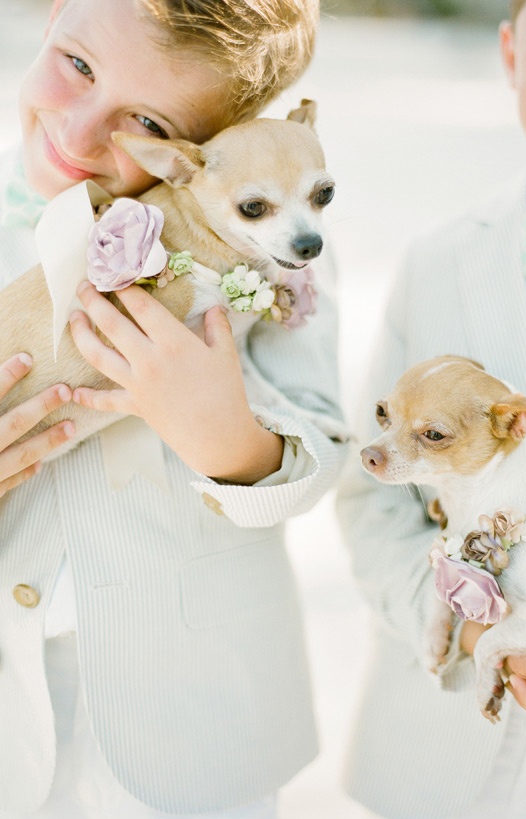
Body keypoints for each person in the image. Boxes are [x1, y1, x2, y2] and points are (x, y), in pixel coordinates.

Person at [0, 1, 346, 817]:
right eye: (80, 65)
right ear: (54, 14)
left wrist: (230, 437)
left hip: (194, 720)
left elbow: (325, 443)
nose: (83, 133)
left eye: (147, 119)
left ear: (202, 149)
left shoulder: (270, 245)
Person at [337, 0, 526, 816]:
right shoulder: (438, 262)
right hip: (442, 758)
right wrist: (474, 629)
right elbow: (370, 504)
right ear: (511, 53)